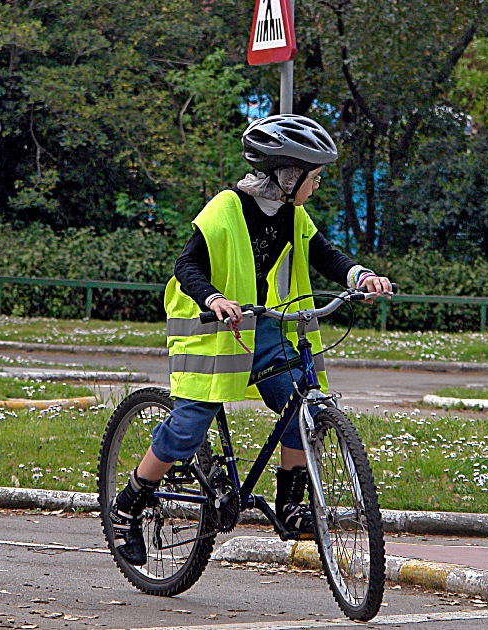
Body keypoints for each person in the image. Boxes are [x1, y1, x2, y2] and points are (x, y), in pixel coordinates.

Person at [108, 114, 393, 566]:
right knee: (186, 430)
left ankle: (292, 504)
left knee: (303, 406)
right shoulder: (226, 207)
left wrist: (362, 276)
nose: (316, 186)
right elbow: (187, 266)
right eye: (313, 177)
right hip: (213, 332)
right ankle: (128, 505)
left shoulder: (293, 214)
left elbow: (324, 255)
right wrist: (214, 297)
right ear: (288, 176)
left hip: (268, 329)